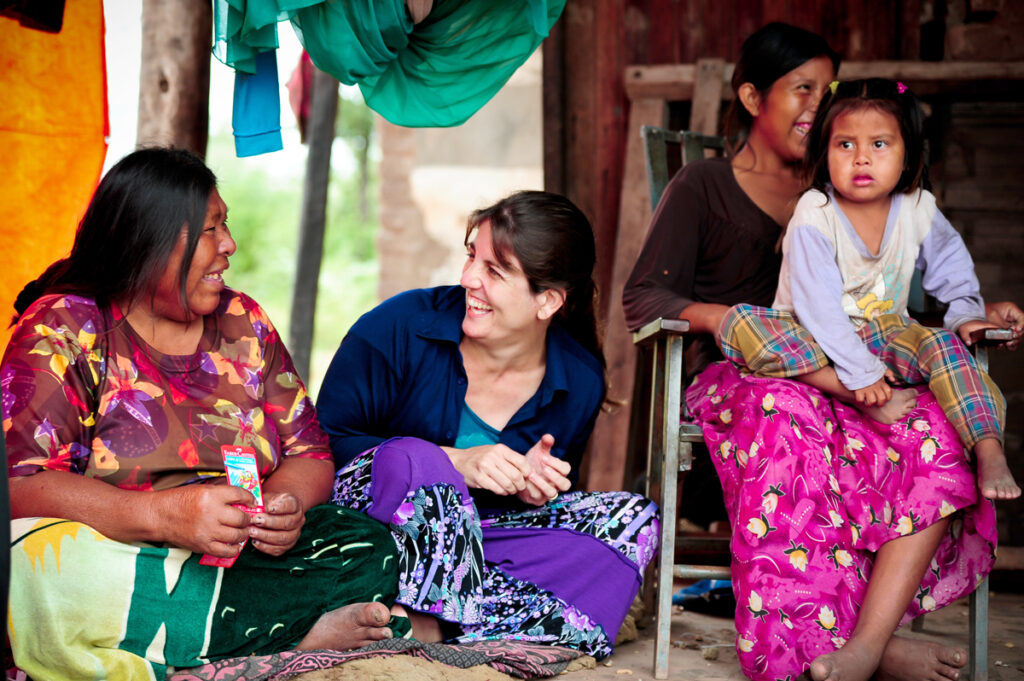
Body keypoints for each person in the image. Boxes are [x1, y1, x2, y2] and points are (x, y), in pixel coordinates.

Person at [624, 22, 1021, 681]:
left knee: (932, 427)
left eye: (824, 89)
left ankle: (866, 638)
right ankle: (864, 646)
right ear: (753, 98)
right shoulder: (704, 185)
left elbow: (916, 283)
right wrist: (725, 317)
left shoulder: (860, 190)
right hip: (755, 374)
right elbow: (643, 298)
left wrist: (974, 316)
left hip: (862, 367)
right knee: (788, 415)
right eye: (799, 88)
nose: (815, 105)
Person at [2, 148, 408, 681]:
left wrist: (283, 505)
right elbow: (20, 487)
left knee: (365, 544)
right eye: (210, 229)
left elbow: (309, 452)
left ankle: (205, 641)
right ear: (149, 242)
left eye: (226, 225)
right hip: (121, 560)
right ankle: (279, 640)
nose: (229, 246)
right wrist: (165, 516)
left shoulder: (243, 322)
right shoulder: (64, 327)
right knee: (37, 572)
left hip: (239, 564)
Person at [317, 190, 660, 660]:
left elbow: (535, 521)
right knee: (417, 457)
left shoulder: (578, 380)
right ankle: (502, 623)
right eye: (471, 257)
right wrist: (454, 462)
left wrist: (533, 487)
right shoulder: (397, 328)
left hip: (483, 547)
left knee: (633, 518)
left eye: (494, 272)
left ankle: (424, 624)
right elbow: (322, 447)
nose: (468, 279)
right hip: (374, 535)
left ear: (548, 302)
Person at [719, 78, 1021, 501]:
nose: (861, 158)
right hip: (811, 337)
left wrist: (968, 313)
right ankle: (840, 387)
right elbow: (818, 308)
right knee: (743, 322)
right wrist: (861, 377)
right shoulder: (816, 211)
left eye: (879, 144)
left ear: (908, 153)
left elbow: (952, 267)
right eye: (845, 145)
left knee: (943, 345)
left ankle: (988, 447)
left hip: (886, 334)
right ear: (825, 153)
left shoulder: (917, 207)